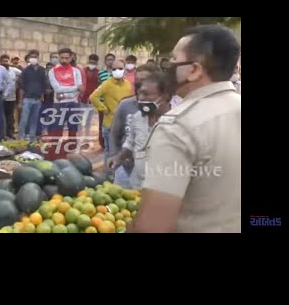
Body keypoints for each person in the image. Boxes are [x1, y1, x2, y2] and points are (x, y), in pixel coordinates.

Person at [129, 25, 241, 233]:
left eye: (173, 60)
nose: (168, 67)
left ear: (194, 70)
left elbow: (152, 227)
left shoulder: (178, 127)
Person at [109, 73, 172, 189]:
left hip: (162, 189)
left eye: (146, 94)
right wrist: (119, 157)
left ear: (164, 96)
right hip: (136, 185)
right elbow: (131, 143)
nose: (141, 98)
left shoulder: (177, 123)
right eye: (139, 93)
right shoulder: (138, 117)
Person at [89, 59, 132, 173]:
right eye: (114, 69)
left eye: (120, 69)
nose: (117, 71)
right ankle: (108, 175)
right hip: (109, 125)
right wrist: (103, 109)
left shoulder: (128, 85)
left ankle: (119, 175)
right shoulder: (107, 84)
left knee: (122, 152)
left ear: (124, 70)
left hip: (123, 125)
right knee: (109, 152)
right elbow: (93, 97)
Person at [46, 48, 83, 159]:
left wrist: (65, 91)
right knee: (56, 130)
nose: (64, 60)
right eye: (62, 58)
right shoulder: (52, 71)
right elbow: (57, 88)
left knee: (73, 130)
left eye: (67, 58)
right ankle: (55, 155)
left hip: (73, 103)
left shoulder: (76, 71)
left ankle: (71, 155)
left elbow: (80, 88)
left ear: (71, 58)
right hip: (59, 105)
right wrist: (74, 88)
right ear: (58, 57)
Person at [18, 50, 47, 141]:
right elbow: (21, 87)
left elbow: (44, 85)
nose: (33, 58)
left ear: (38, 58)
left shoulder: (42, 70)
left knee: (34, 120)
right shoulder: (25, 71)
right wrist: (20, 102)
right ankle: (21, 137)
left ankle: (32, 137)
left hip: (37, 99)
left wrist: (42, 98)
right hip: (27, 99)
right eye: (32, 57)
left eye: (35, 57)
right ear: (29, 58)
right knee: (24, 120)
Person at [1, 54, 21, 140]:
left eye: (7, 61)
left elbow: (23, 75)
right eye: (3, 61)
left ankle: (10, 133)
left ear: (9, 62)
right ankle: (1, 134)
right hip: (0, 98)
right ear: (1, 62)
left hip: (11, 98)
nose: (5, 63)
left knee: (10, 117)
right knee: (1, 117)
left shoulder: (14, 71)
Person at [97, 53, 115, 149]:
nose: (110, 61)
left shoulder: (117, 73)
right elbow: (98, 88)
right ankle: (102, 142)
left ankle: (112, 142)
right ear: (105, 61)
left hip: (114, 103)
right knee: (102, 123)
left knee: (113, 124)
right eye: (108, 59)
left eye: (112, 59)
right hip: (102, 103)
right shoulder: (101, 73)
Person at [80, 54, 100, 138]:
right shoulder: (83, 71)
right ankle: (79, 136)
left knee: (89, 119)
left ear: (96, 63)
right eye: (90, 62)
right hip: (82, 97)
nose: (92, 64)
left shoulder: (98, 72)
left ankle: (86, 136)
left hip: (92, 99)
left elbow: (98, 86)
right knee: (80, 119)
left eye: (94, 62)